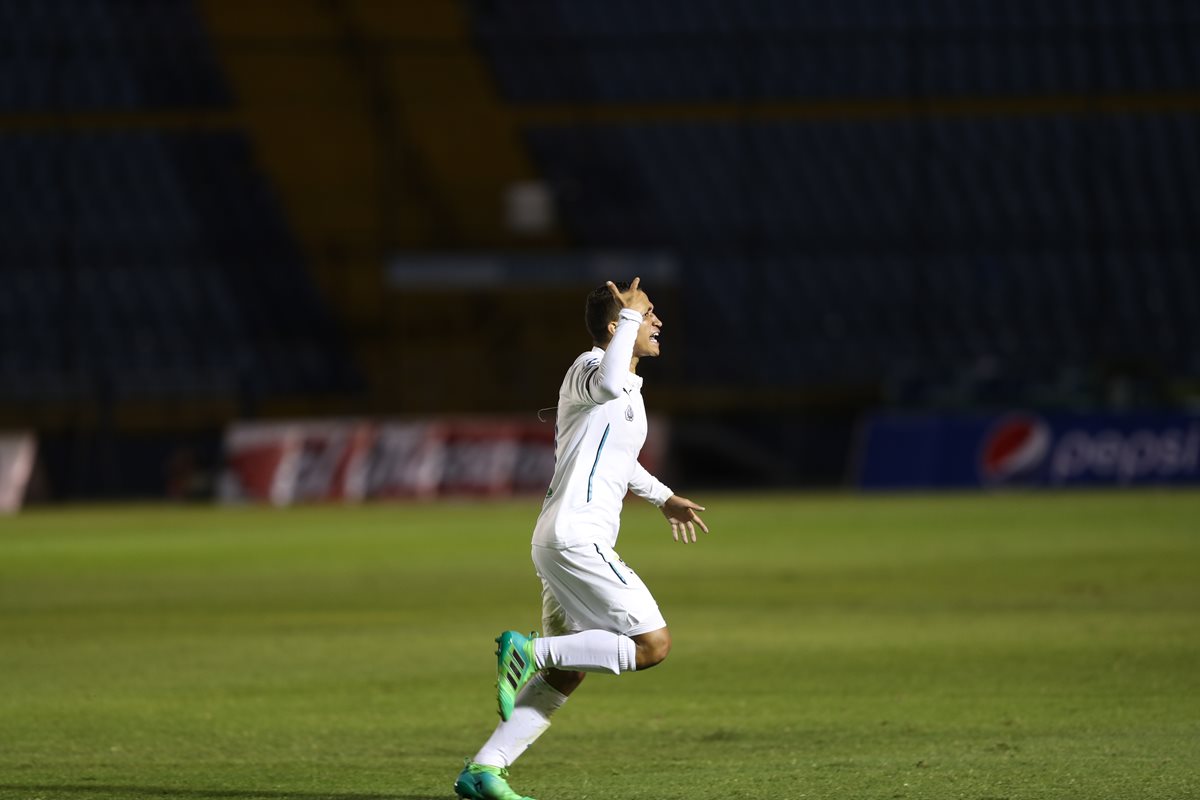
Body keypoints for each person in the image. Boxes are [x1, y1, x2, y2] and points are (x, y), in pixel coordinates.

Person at [454, 278, 710, 800]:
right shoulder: (589, 368)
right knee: (653, 645)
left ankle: (484, 770)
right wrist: (630, 317)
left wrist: (663, 497)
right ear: (617, 326)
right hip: (575, 538)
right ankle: (528, 649)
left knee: (567, 671)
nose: (656, 321)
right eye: (645, 313)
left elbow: (621, 462)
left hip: (562, 539)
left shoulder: (628, 387)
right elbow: (609, 383)